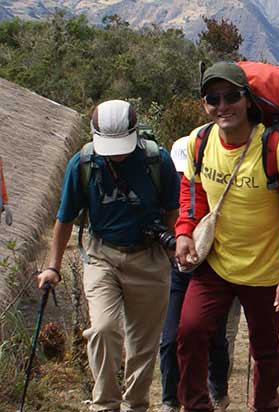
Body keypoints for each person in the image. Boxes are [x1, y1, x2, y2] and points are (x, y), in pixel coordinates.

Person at [173, 62, 279, 412]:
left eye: (231, 96)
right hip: (215, 265)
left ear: (248, 100)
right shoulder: (199, 141)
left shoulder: (278, 150)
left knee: (265, 352)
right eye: (213, 98)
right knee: (189, 333)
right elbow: (192, 193)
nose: (222, 106)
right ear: (204, 104)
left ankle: (264, 406)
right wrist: (185, 232)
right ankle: (196, 406)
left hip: (265, 273)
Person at [37, 100, 179, 412]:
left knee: (143, 345)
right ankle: (104, 405)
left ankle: (136, 405)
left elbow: (172, 209)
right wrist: (52, 267)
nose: (116, 152)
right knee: (102, 329)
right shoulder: (84, 163)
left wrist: (172, 245)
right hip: (104, 256)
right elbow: (64, 219)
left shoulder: (157, 160)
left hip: (150, 258)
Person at [158, 136, 236, 412]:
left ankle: (218, 392)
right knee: (170, 338)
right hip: (178, 273)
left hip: (211, 271)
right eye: (177, 172)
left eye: (185, 171)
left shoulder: (210, 192)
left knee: (213, 337)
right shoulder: (165, 196)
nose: (181, 177)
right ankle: (170, 400)